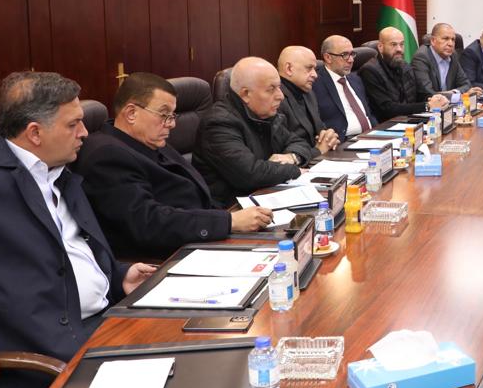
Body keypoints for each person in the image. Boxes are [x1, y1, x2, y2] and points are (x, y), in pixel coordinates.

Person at [0, 72, 155, 388]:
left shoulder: (59, 170)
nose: (84, 132)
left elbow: (64, 253)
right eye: (73, 124)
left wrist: (118, 275)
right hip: (42, 363)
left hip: (108, 325)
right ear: (35, 132)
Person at [75, 73, 274, 259]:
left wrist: (232, 218)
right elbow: (149, 223)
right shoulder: (106, 155)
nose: (172, 124)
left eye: (172, 115)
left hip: (200, 238)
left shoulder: (147, 140)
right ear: (131, 113)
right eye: (164, 115)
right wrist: (229, 222)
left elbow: (194, 195)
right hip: (165, 259)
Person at [193, 57, 313, 207]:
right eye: (271, 89)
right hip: (233, 209)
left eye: (279, 87)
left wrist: (291, 157)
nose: (281, 96)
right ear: (245, 94)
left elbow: (298, 142)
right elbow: (250, 174)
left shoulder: (265, 114)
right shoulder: (219, 123)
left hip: (265, 196)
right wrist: (293, 170)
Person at [360, 26, 449, 122]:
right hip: (387, 124)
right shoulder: (370, 71)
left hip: (409, 119)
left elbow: (418, 94)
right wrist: (427, 106)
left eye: (402, 44)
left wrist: (435, 99)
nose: (399, 49)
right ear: (380, 47)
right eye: (393, 44)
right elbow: (387, 108)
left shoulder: (404, 65)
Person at [276, 45, 340, 158]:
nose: (315, 75)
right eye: (309, 68)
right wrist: (318, 150)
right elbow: (284, 150)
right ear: (289, 68)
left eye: (315, 69)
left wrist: (328, 136)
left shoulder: (308, 92)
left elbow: (320, 129)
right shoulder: (275, 99)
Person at [312, 35, 377, 142]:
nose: (351, 60)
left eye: (352, 54)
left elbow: (369, 113)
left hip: (371, 136)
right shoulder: (315, 84)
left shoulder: (355, 78)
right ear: (328, 57)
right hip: (344, 142)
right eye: (345, 55)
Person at [410, 23, 482, 100]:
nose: (451, 44)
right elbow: (427, 93)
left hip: (450, 105)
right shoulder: (421, 57)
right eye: (445, 39)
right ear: (433, 41)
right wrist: (458, 96)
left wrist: (453, 93)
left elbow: (467, 85)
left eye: (453, 40)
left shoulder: (453, 55)